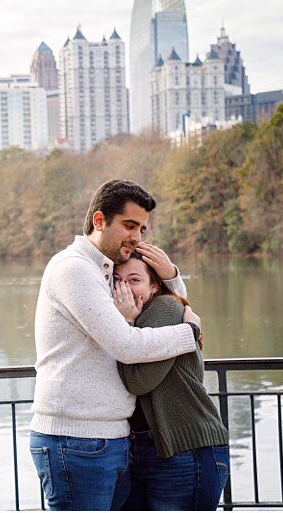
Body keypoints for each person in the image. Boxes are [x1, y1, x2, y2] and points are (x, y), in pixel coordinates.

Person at [30, 180, 205, 511]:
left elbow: (156, 306)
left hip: (110, 438)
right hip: (76, 440)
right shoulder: (74, 269)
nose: (137, 237)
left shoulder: (105, 272)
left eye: (141, 228)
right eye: (129, 225)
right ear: (99, 221)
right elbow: (127, 344)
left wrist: (171, 278)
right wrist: (189, 332)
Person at [113, 255, 231, 510]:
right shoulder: (131, 316)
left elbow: (139, 381)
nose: (124, 289)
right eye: (116, 281)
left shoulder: (164, 308)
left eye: (134, 280)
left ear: (154, 285)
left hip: (187, 451)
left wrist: (129, 323)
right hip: (149, 450)